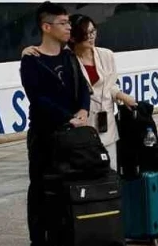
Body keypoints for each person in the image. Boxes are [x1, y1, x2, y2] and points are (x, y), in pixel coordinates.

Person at [19, 2, 91, 246]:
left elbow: (83, 86)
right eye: (63, 23)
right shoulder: (31, 60)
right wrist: (67, 118)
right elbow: (38, 98)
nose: (69, 27)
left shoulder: (69, 56)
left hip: (72, 132)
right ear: (46, 27)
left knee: (70, 184)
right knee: (41, 187)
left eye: (68, 22)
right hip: (45, 133)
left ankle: (68, 237)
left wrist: (83, 110)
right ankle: (38, 244)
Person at [24, 14, 139, 170]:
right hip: (81, 124)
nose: (91, 37)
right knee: (87, 171)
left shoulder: (106, 55)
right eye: (86, 34)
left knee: (110, 170)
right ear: (73, 37)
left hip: (106, 122)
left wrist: (121, 96)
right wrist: (26, 51)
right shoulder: (66, 58)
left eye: (93, 31)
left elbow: (110, 85)